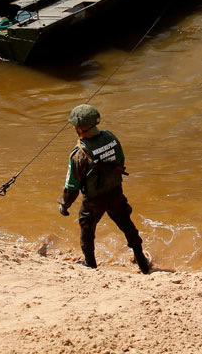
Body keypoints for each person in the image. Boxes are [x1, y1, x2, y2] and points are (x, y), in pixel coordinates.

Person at [58, 103, 151, 274]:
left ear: (79, 128)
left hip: (93, 199)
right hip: (115, 192)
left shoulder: (79, 153)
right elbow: (121, 161)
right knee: (127, 225)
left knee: (87, 229)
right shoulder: (111, 138)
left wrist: (64, 205)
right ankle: (142, 261)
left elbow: (72, 185)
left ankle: (90, 264)